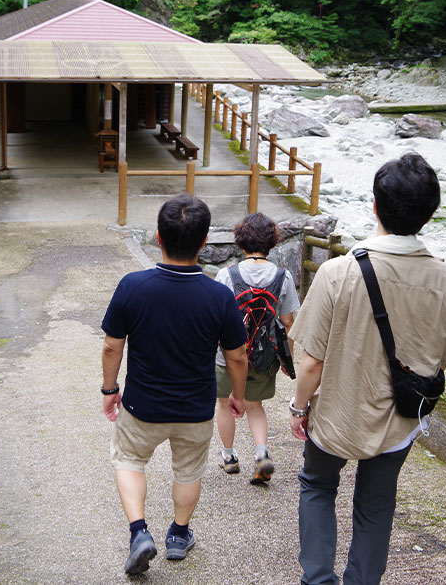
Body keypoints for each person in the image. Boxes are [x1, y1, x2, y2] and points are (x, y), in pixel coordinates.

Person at [288, 152, 446, 585]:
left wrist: (298, 407)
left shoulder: (338, 272)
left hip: (336, 410)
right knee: (377, 502)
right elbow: (444, 356)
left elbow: (311, 360)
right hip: (400, 419)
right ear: (429, 214)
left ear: (375, 205)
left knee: (317, 486)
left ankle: (317, 579)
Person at [101, 194, 249, 576]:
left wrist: (109, 388)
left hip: (142, 405)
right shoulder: (219, 295)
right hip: (195, 407)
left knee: (130, 460)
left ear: (157, 237)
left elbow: (111, 345)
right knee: (188, 472)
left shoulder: (133, 286)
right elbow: (237, 356)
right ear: (203, 243)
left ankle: (139, 533)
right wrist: (238, 395)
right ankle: (179, 536)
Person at [214, 212, 299, 484]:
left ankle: (229, 457)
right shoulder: (283, 277)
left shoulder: (226, 275)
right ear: (272, 242)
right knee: (254, 405)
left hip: (227, 355)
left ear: (240, 241)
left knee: (223, 404)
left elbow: (214, 319)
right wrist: (289, 360)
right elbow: (288, 323)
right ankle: (261, 454)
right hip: (263, 355)